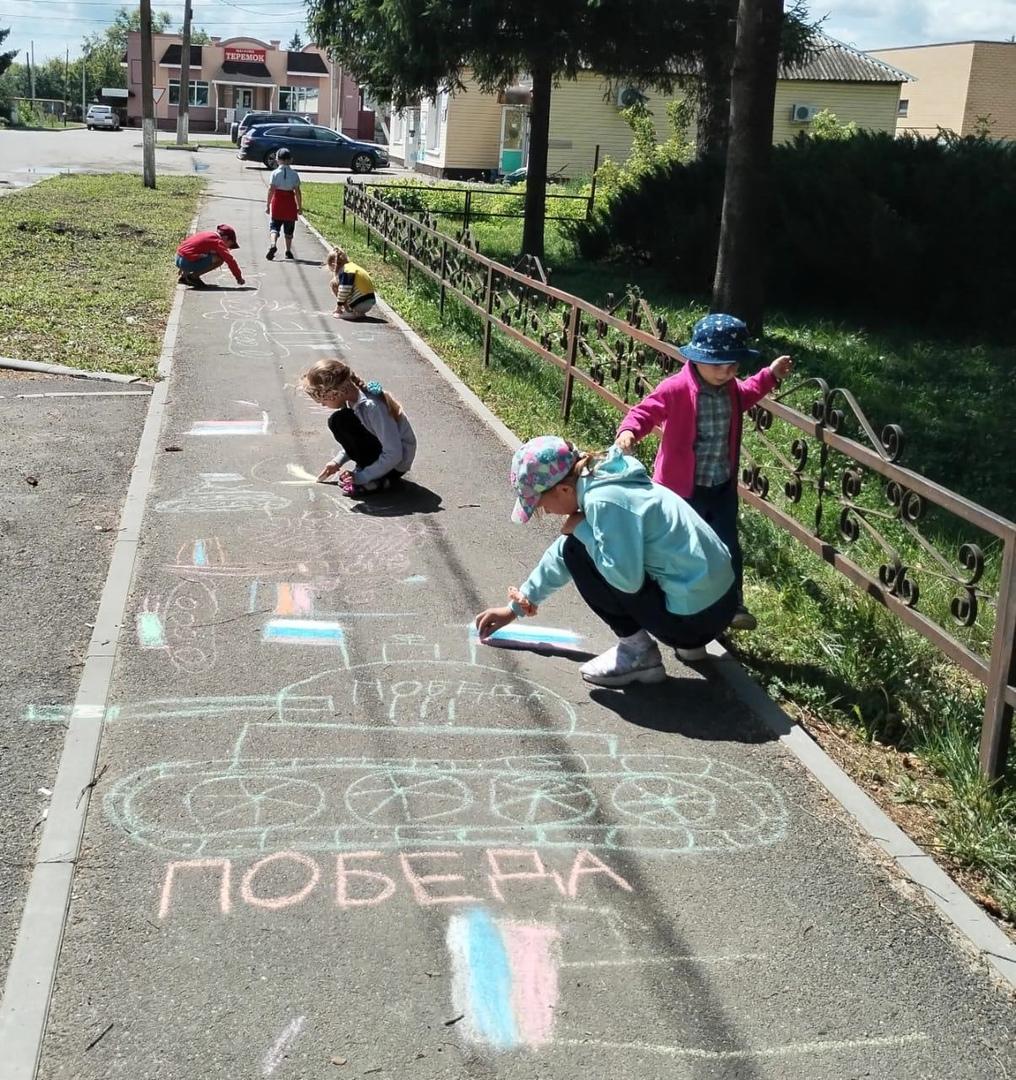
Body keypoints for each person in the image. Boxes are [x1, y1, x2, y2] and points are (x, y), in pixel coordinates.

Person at [474, 436, 737, 688]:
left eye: (543, 505)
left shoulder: (604, 503)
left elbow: (625, 580)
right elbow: (561, 554)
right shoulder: (606, 478)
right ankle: (691, 645)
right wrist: (515, 608)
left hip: (693, 622)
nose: (548, 512)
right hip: (721, 603)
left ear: (564, 489)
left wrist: (581, 530)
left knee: (579, 551)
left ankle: (639, 654)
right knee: (580, 546)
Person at [615, 313, 793, 632]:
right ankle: (674, 599)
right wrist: (629, 431)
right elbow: (645, 411)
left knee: (726, 545)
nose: (727, 372)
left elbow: (749, 391)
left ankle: (732, 605)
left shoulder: (732, 389)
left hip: (721, 487)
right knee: (679, 545)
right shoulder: (676, 388)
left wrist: (771, 375)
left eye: (733, 365)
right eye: (719, 364)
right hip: (681, 490)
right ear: (697, 358)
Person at [300, 358, 416, 495]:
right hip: (389, 457)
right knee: (340, 420)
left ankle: (378, 479)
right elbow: (359, 440)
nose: (322, 404)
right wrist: (337, 462)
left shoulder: (372, 407)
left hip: (396, 465)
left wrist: (360, 477)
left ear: (334, 393)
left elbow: (394, 454)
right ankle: (374, 475)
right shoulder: (354, 402)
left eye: (321, 400)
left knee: (339, 421)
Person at [175, 224, 244, 289]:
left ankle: (184, 277)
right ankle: (193, 277)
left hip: (178, 258)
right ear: (226, 238)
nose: (228, 248)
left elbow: (188, 248)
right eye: (230, 245)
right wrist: (238, 277)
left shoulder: (208, 235)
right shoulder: (218, 242)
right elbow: (230, 260)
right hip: (185, 262)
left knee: (207, 253)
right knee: (219, 259)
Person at [265, 148, 302, 261]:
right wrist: (299, 206)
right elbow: (297, 192)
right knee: (289, 229)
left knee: (274, 226)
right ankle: (288, 251)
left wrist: (268, 204)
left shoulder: (275, 173)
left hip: (278, 202)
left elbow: (271, 190)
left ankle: (273, 244)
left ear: (277, 160)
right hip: (290, 203)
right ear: (291, 160)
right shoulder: (294, 174)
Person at [326, 249, 376, 320]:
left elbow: (344, 291)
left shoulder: (346, 271)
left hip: (360, 303)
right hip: (369, 301)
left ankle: (349, 312)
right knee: (349, 287)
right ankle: (359, 313)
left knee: (334, 284)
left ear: (333, 265)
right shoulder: (352, 266)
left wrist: (339, 307)